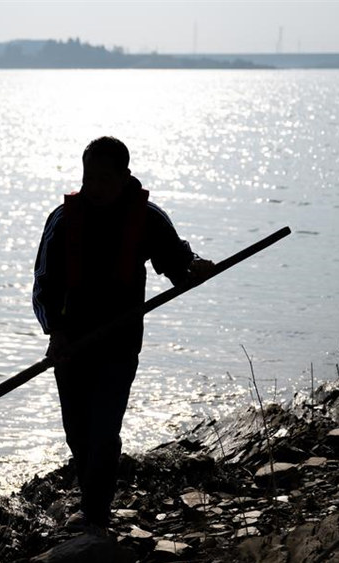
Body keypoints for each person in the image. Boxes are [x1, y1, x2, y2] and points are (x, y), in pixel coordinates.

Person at [32, 136, 214, 535]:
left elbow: (177, 262)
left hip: (119, 343)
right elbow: (43, 285)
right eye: (88, 178)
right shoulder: (64, 221)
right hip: (72, 344)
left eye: (103, 178)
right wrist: (55, 332)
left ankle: (96, 513)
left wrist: (194, 269)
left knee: (104, 428)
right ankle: (92, 502)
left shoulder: (146, 217)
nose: (94, 187)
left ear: (124, 176)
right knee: (78, 431)